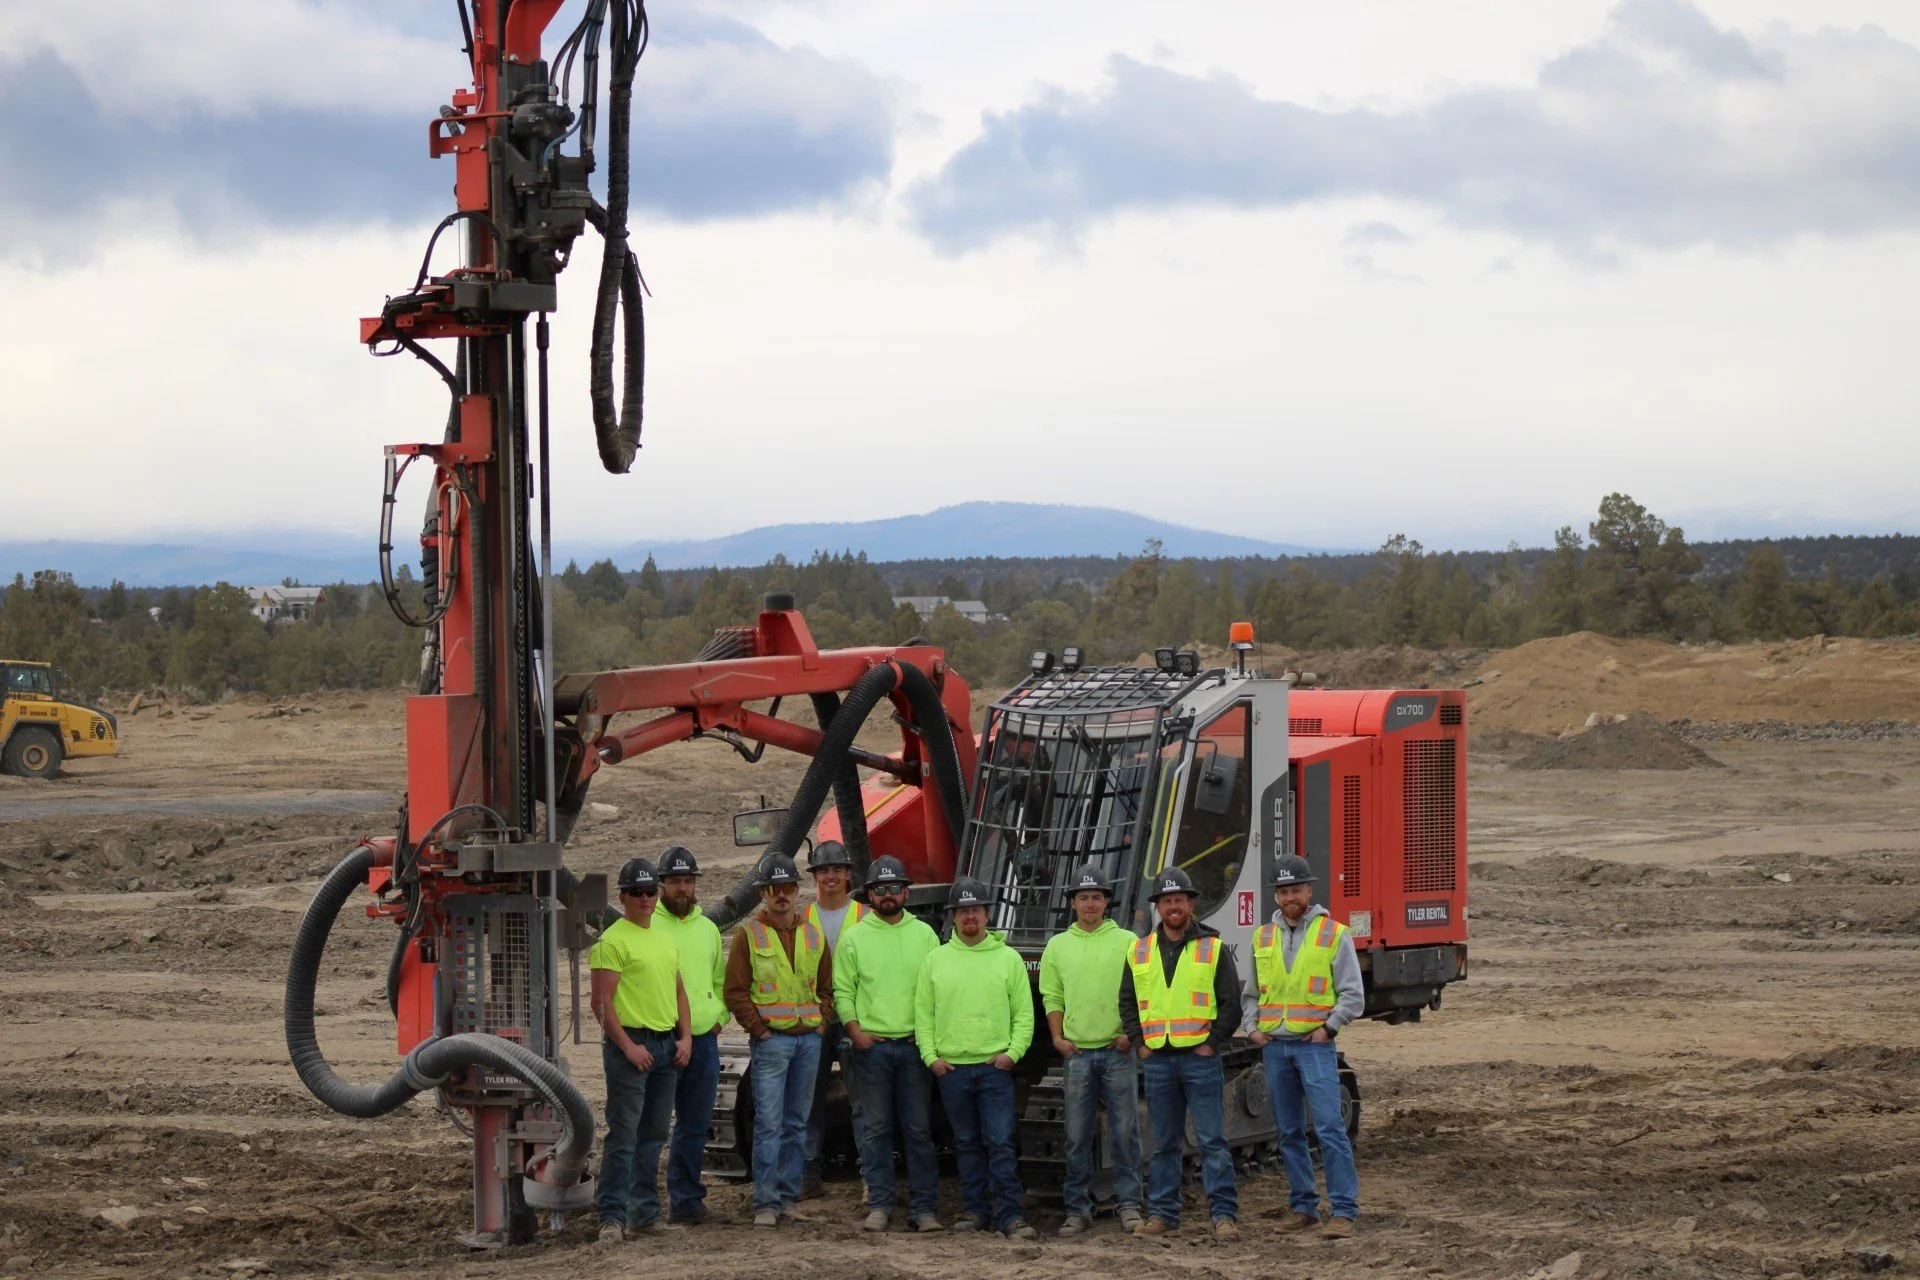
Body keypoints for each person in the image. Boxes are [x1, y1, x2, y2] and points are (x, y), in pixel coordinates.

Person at [1119, 866, 1242, 1240]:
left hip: (1199, 1059)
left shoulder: (1213, 947)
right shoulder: (1138, 951)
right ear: (1158, 907)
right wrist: (1140, 1044)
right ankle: (1162, 1214)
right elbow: (1127, 1002)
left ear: (1190, 904)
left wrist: (1211, 1043)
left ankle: (1223, 1215)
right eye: (1166, 901)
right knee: (1164, 1144)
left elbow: (1231, 1004)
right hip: (1158, 1060)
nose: (1173, 907)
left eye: (1179, 900)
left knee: (1212, 1141)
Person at [1247, 855, 1364, 1239]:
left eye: (1295, 889)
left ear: (1309, 891)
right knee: (1289, 1132)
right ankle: (1304, 1207)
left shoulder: (1334, 933)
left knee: (1330, 1128)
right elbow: (1252, 993)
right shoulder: (1263, 936)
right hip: (1275, 1047)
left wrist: (1329, 1029)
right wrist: (1253, 1029)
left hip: (1314, 1046)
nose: (1289, 896)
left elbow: (1352, 994)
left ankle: (1344, 1210)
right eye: (1282, 891)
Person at [914, 877, 1037, 1239]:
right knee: (966, 1144)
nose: (970, 916)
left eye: (976, 910)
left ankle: (1011, 1215)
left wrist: (1011, 1055)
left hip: (993, 1069)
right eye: (963, 911)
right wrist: (931, 1058)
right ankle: (974, 1212)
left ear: (987, 915)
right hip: (952, 1070)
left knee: (999, 1143)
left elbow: (1024, 1015)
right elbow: (924, 1014)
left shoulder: (1008, 959)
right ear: (953, 916)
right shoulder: (935, 960)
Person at [724, 852, 836, 1228]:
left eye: (786, 887)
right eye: (773, 889)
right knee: (769, 1124)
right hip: (772, 1044)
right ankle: (766, 1203)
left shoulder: (812, 934)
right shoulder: (748, 936)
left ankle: (787, 1198)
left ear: (796, 889)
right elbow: (735, 991)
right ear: (763, 895)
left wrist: (822, 1022)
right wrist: (759, 1030)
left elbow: (826, 988)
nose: (781, 895)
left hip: (808, 1042)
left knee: (796, 1123)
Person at [832, 855, 943, 1233]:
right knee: (875, 1129)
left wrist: (926, 1035)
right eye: (880, 889)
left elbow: (934, 992)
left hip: (914, 1049)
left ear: (906, 892)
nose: (888, 895)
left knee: (918, 1130)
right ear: (869, 896)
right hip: (872, 1050)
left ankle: (924, 1209)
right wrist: (856, 1032)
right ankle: (879, 1204)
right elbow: (842, 991)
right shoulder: (854, 938)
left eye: (895, 888)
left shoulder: (926, 935)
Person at [591, 857, 694, 1243]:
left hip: (666, 1046)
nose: (646, 898)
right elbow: (601, 1004)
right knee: (623, 1135)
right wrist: (628, 1047)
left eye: (651, 891)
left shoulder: (665, 938)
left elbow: (679, 991)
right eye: (637, 892)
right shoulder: (612, 940)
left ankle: (644, 1213)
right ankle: (611, 1218)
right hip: (631, 1047)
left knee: (653, 1134)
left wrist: (685, 1038)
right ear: (623, 896)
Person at [1039, 863, 1144, 1236]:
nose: (1089, 903)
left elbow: (1142, 994)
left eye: (1096, 897)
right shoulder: (1058, 946)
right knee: (1076, 1136)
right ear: (1072, 903)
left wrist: (1131, 1035)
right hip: (1078, 1055)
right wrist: (1057, 1039)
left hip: (1118, 1051)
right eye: (1082, 897)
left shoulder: (1128, 942)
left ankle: (1129, 1205)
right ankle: (1077, 1209)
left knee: (1125, 1132)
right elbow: (1052, 996)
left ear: (1106, 903)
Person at [654, 845, 728, 1226]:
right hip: (661, 1039)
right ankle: (643, 1206)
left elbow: (719, 979)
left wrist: (718, 1018)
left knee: (695, 1124)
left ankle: (685, 1201)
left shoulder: (708, 929)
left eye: (687, 881)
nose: (682, 888)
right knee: (649, 1127)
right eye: (674, 882)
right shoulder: (647, 925)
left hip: (703, 1040)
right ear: (661, 885)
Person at [801, 839, 868, 1198]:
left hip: (854, 1017)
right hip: (815, 1019)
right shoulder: (802, 920)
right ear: (815, 876)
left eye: (836, 870)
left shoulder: (865, 917)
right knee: (808, 1100)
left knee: (862, 1101)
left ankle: (868, 1173)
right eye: (824, 870)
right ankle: (807, 1173)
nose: (830, 876)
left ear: (847, 875)